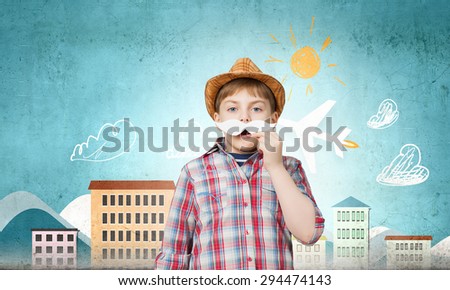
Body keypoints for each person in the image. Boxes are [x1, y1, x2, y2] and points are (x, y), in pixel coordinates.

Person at [155, 58, 324, 270]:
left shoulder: (290, 168)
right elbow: (174, 252)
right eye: (233, 109)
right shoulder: (194, 172)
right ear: (217, 119)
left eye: (256, 109)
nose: (244, 118)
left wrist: (275, 167)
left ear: (273, 119)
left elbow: (309, 234)